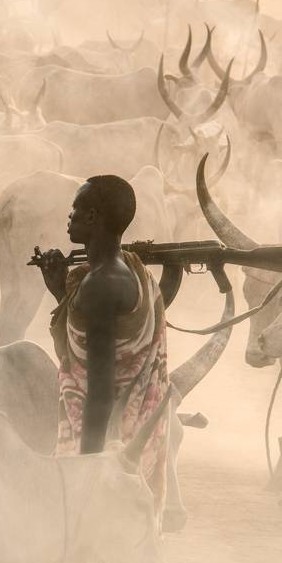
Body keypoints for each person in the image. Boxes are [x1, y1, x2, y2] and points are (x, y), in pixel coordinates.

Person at [35, 175, 181, 503]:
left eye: (75, 208)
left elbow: (99, 393)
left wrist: (87, 469)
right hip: (127, 443)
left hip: (108, 451)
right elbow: (101, 342)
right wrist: (61, 291)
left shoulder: (100, 285)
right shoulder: (131, 270)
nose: (69, 215)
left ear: (92, 216)